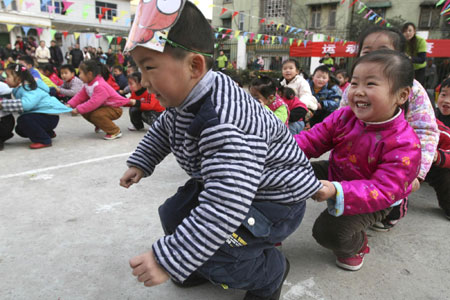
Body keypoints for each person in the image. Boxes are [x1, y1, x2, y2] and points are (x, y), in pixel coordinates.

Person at [119, 2, 321, 299]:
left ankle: (271, 272)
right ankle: (199, 266)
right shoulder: (187, 94)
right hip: (236, 185)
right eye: (139, 69)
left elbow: (226, 203)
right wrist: (142, 162)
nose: (144, 81)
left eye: (149, 67)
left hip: (274, 201)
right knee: (174, 214)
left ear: (194, 65)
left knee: (223, 252)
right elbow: (165, 126)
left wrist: (169, 258)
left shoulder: (224, 122)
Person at [295, 50, 421, 271]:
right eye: (354, 83)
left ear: (401, 95)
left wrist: (337, 191)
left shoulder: (405, 143)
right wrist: (279, 150)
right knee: (288, 172)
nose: (358, 92)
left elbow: (384, 189)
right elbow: (311, 140)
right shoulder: (344, 116)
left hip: (375, 197)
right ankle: (269, 226)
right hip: (338, 173)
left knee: (327, 232)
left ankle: (357, 245)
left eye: (370, 84)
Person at [339, 26, 439, 232]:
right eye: (367, 51)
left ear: (401, 57)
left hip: (394, 158)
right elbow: (339, 121)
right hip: (359, 154)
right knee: (355, 193)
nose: (375, 56)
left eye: (383, 49)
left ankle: (393, 210)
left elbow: (425, 130)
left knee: (390, 193)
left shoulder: (414, 89)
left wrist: (417, 174)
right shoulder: (352, 87)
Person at [0, 63, 72, 149]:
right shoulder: (19, 88)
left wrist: (3, 104)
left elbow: (26, 104)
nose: (5, 79)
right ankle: (48, 133)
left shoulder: (29, 88)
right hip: (43, 116)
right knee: (20, 129)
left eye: (8, 76)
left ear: (19, 79)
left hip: (48, 117)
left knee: (23, 120)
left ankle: (44, 140)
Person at [67, 60, 130, 140]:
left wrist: (78, 109)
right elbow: (80, 96)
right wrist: (70, 104)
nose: (79, 76)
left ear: (89, 74)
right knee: (86, 111)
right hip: (105, 107)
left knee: (96, 114)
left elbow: (94, 102)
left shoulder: (99, 85)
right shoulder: (88, 83)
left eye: (81, 73)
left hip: (115, 109)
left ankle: (114, 131)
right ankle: (101, 124)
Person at [428, 77, 450, 220]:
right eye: (443, 94)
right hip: (422, 158)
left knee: (446, 176)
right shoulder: (429, 116)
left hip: (440, 162)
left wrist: (437, 156)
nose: (447, 100)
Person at [402, 22, 427, 86]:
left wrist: (409, 58)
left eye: (410, 30)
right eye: (405, 31)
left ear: (414, 31)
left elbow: (422, 59)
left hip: (419, 69)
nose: (407, 33)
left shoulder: (421, 41)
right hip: (406, 68)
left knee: (417, 87)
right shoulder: (401, 41)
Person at [0, 80, 13, 150]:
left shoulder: (2, 86)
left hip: (4, 121)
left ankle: (3, 136)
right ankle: (4, 135)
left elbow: (12, 92)